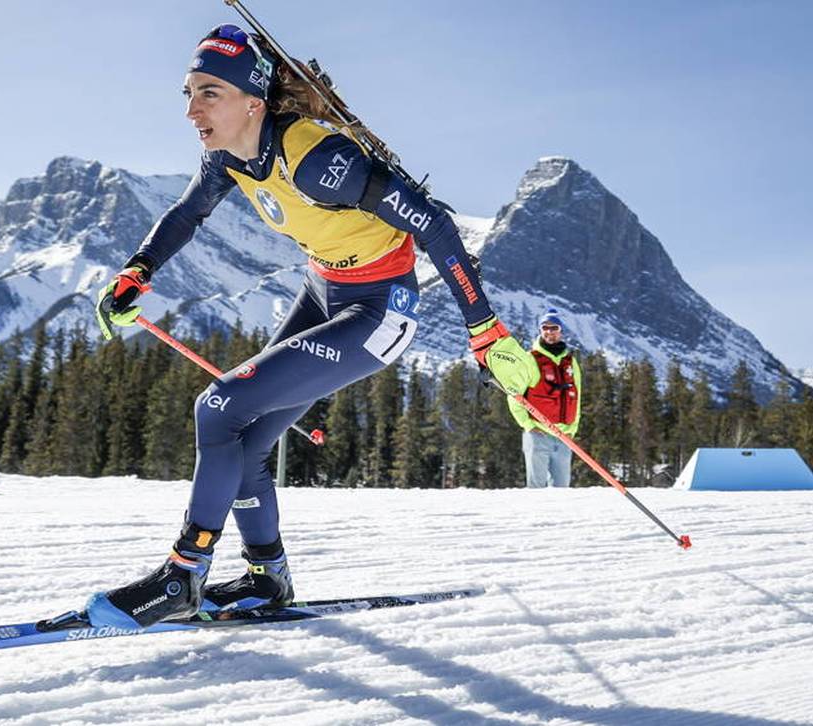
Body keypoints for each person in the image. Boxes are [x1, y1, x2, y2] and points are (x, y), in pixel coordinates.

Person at [84, 24, 537, 629]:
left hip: (378, 313)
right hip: (322, 291)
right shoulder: (226, 157)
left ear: (253, 101)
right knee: (242, 441)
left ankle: (182, 575)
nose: (192, 109)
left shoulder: (320, 160)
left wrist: (484, 329)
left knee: (217, 407)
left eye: (209, 93)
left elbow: (433, 224)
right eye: (188, 92)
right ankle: (268, 578)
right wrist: (137, 272)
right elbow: (186, 212)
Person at [508, 309, 582, 488]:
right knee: (537, 489)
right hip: (538, 433)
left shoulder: (570, 362)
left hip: (564, 435)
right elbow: (514, 394)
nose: (549, 331)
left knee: (562, 489)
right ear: (540, 330)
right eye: (545, 328)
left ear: (561, 330)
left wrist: (572, 428)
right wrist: (528, 425)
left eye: (554, 327)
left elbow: (576, 396)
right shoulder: (530, 359)